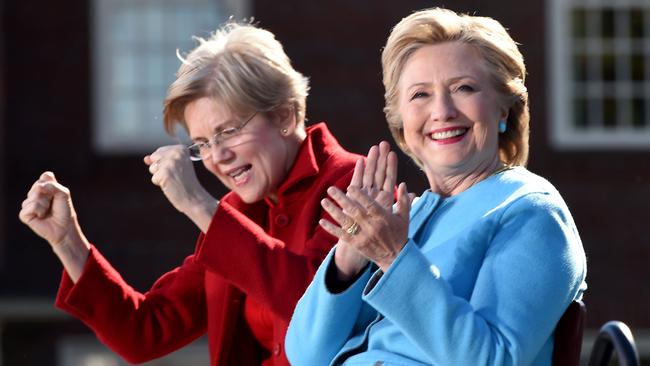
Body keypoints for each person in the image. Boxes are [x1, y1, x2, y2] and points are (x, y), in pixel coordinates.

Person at [18, 21, 361, 366]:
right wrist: (67, 242)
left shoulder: (357, 182)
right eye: (202, 144)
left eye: (228, 131)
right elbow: (145, 330)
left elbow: (318, 303)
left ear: (285, 115)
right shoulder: (236, 213)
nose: (217, 157)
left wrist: (197, 204)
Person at [285, 7, 587, 366]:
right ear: (401, 124)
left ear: (504, 110)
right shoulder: (407, 217)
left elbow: (494, 360)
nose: (442, 111)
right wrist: (349, 258)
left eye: (463, 88)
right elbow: (307, 357)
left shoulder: (531, 212)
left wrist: (393, 258)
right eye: (420, 95)